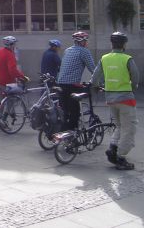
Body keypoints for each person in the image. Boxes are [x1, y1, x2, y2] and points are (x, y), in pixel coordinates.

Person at [90, 32, 140, 170]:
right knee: (129, 128)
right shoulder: (127, 59)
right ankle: (121, 157)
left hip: (110, 99)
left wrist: (96, 86)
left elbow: (95, 78)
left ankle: (112, 148)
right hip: (126, 99)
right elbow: (135, 77)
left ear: (111, 44)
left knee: (119, 125)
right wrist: (132, 86)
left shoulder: (104, 58)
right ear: (124, 44)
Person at [56, 31, 96, 130]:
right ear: (83, 41)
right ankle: (72, 135)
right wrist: (101, 82)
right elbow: (93, 69)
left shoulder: (67, 50)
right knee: (75, 112)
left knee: (65, 111)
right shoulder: (84, 51)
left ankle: (62, 132)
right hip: (71, 85)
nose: (87, 43)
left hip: (60, 84)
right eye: (86, 41)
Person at [0, 36, 24, 110]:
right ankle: (9, 113)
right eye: (14, 44)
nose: (15, 45)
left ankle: (0, 116)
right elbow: (12, 70)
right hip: (7, 82)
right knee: (12, 98)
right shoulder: (10, 55)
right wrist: (21, 76)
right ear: (11, 45)